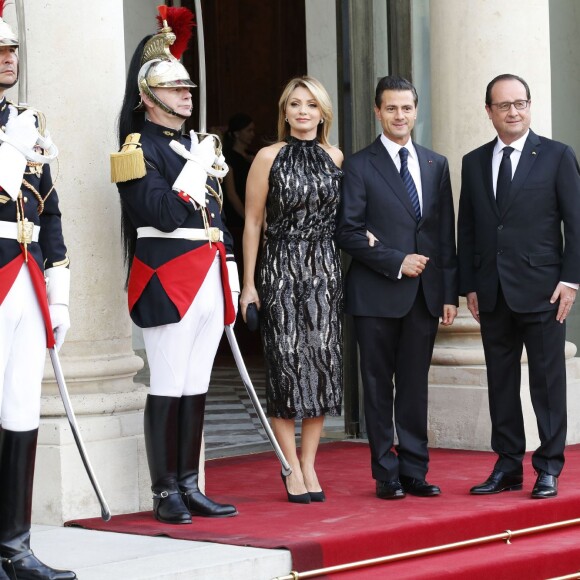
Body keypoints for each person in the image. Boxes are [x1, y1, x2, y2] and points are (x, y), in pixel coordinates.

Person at [112, 6, 238, 524]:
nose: (188, 94)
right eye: (175, 88)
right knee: (167, 381)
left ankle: (190, 482)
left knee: (197, 383)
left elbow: (216, 215)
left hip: (208, 272)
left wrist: (229, 264)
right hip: (168, 276)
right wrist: (196, 161)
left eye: (189, 87)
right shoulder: (136, 149)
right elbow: (161, 213)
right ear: (148, 96)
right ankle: (165, 490)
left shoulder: (194, 145)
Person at [457, 74, 580, 499]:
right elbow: (468, 227)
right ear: (488, 110)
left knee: (548, 384)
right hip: (492, 293)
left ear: (530, 106)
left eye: (520, 103)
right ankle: (508, 465)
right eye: (504, 105)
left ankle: (548, 467)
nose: (513, 111)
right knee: (501, 383)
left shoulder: (557, 156)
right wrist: (469, 284)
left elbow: (576, 223)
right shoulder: (473, 162)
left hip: (545, 291)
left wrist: (571, 280)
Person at [335, 76, 458, 500]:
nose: (399, 116)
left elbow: (443, 235)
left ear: (416, 111)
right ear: (377, 111)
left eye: (406, 108)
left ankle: (414, 471)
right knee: (376, 386)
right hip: (374, 295)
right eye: (391, 109)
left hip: (424, 297)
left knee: (414, 386)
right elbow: (348, 232)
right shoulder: (358, 164)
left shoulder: (435, 163)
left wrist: (447, 293)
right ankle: (385, 473)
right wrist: (396, 261)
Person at [240, 76, 343, 503]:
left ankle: (310, 464)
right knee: (285, 368)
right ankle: (290, 466)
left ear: (323, 113)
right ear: (284, 112)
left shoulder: (335, 156)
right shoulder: (267, 157)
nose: (303, 111)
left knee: (320, 366)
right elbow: (252, 223)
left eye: (312, 105)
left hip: (324, 272)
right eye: (295, 104)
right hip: (280, 270)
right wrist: (248, 285)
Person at [0, 10, 76, 580]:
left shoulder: (29, 124)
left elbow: (48, 214)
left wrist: (61, 292)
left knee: (22, 407)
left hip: (27, 277)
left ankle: (14, 548)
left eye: (12, 50)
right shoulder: (18, 134)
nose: (9, 57)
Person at [222, 113, 255, 228]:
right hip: (236, 214)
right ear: (236, 133)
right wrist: (246, 217)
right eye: (248, 130)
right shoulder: (228, 158)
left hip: (253, 208)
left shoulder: (252, 156)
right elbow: (231, 194)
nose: (252, 134)